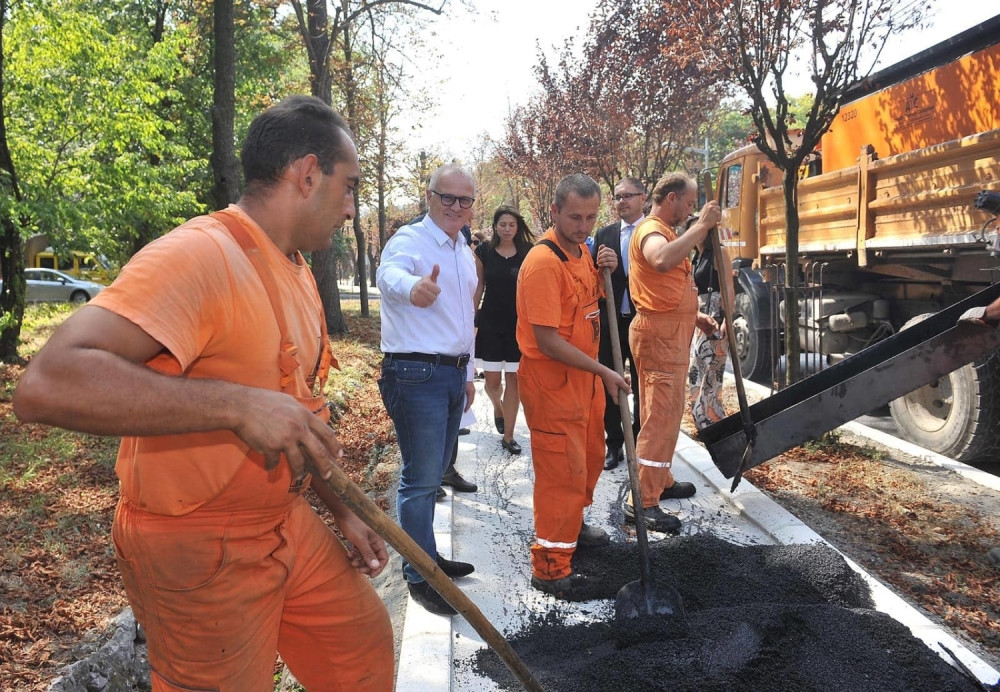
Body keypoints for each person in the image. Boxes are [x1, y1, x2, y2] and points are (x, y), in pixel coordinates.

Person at [12, 96, 393, 690]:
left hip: (281, 518)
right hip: (195, 546)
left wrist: (344, 510)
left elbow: (296, 415)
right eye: (349, 188)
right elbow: (45, 383)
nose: (350, 209)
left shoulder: (295, 270)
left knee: (358, 650)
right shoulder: (200, 255)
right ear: (308, 173)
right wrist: (236, 405)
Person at [516, 174, 630, 600]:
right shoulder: (542, 264)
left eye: (590, 217)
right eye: (574, 217)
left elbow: (589, 306)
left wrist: (607, 273)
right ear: (554, 212)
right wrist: (603, 371)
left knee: (589, 459)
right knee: (560, 474)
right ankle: (550, 567)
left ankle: (573, 528)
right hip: (552, 385)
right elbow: (548, 341)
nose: (584, 225)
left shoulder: (582, 253)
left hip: (584, 381)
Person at [376, 163, 478, 616]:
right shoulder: (410, 241)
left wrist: (469, 374)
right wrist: (411, 287)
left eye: (465, 200)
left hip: (452, 373)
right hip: (416, 374)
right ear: (429, 196)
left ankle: (428, 557)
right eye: (447, 197)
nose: (456, 207)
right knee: (419, 479)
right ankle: (419, 574)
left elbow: (465, 319)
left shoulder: (461, 248)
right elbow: (389, 276)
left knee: (434, 472)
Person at [626, 172, 722, 533]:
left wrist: (694, 316)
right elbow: (662, 261)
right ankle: (644, 501)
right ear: (671, 199)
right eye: (689, 202)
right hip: (660, 338)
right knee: (660, 418)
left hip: (670, 333)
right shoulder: (652, 231)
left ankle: (660, 480)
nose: (692, 210)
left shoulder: (665, 229)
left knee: (662, 412)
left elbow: (663, 285)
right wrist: (701, 228)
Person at [593, 178, 646, 470]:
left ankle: (638, 445)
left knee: (641, 384)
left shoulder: (654, 233)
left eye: (628, 196)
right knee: (611, 382)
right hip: (612, 320)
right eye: (617, 197)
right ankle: (613, 444)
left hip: (642, 321)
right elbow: (593, 277)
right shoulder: (605, 234)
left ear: (643, 197)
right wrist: (602, 268)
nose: (622, 201)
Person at [474, 206, 534, 455]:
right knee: (492, 382)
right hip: (489, 323)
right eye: (503, 224)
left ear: (517, 227)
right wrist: (471, 319)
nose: (507, 229)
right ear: (495, 227)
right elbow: (477, 288)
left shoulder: (529, 253)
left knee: (513, 380)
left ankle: (508, 436)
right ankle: (497, 407)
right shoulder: (483, 252)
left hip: (518, 325)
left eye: (511, 224)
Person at [687, 219, 736, 430]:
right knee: (699, 370)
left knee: (711, 371)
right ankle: (703, 418)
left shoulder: (719, 252)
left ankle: (711, 420)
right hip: (700, 317)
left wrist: (727, 319)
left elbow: (728, 285)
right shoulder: (696, 256)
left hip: (715, 318)